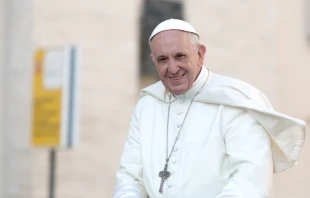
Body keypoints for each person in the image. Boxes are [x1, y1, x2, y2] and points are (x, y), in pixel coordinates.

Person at [114, 19, 306, 198]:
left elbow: (250, 180)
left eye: (180, 56)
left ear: (200, 54)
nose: (172, 68)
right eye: (163, 59)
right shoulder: (148, 104)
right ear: (153, 61)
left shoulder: (235, 101)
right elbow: (130, 176)